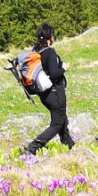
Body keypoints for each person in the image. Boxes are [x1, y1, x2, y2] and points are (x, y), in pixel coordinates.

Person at [16, 22, 73, 154]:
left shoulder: (36, 51)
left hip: (44, 94)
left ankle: (69, 145)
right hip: (55, 93)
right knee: (57, 123)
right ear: (50, 37)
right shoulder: (49, 52)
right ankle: (33, 147)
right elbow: (54, 74)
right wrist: (64, 68)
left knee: (62, 119)